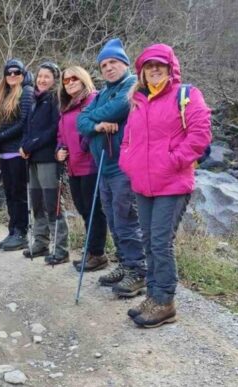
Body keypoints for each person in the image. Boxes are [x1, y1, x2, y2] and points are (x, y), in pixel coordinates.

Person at [120, 43, 211, 328]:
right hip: (143, 184)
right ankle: (153, 296)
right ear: (142, 72)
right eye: (149, 66)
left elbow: (200, 135)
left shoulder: (187, 95)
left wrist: (172, 161)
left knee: (160, 242)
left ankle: (165, 301)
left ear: (171, 68)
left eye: (160, 64)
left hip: (172, 183)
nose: (154, 69)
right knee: (148, 240)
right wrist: (128, 163)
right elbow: (127, 140)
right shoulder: (138, 101)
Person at [77, 38, 147, 298]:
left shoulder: (132, 85)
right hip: (104, 167)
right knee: (114, 220)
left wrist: (94, 117)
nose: (108, 68)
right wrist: (97, 125)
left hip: (123, 167)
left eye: (113, 62)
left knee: (126, 219)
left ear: (125, 64)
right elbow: (81, 121)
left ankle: (138, 271)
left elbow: (120, 107)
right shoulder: (102, 93)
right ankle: (125, 264)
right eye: (103, 64)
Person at [55, 66, 108, 267]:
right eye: (66, 80)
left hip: (90, 163)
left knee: (94, 210)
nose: (69, 83)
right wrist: (59, 149)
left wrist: (83, 145)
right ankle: (91, 249)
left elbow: (95, 128)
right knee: (83, 209)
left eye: (74, 78)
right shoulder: (66, 107)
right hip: (73, 165)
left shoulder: (94, 99)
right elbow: (61, 135)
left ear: (83, 79)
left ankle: (97, 253)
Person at [20, 61, 69, 263]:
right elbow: (27, 127)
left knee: (52, 203)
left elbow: (53, 129)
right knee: (37, 202)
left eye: (46, 76)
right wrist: (23, 145)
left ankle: (61, 249)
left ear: (55, 79)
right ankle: (41, 242)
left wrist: (30, 145)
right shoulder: (35, 99)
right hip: (33, 158)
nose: (42, 80)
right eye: (40, 76)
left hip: (49, 158)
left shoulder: (56, 99)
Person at [0, 59, 34, 251]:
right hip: (5, 152)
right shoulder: (4, 93)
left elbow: (24, 122)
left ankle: (21, 232)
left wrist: (0, 136)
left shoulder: (27, 92)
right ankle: (13, 229)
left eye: (17, 72)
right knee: (9, 194)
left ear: (23, 74)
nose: (13, 75)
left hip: (18, 151)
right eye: (9, 72)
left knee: (19, 193)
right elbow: (1, 123)